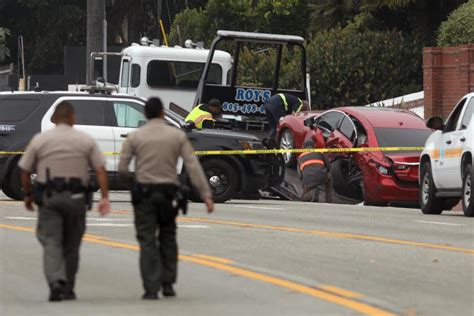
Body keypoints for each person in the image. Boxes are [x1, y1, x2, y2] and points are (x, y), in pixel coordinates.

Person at [119, 97, 214, 300]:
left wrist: (133, 185)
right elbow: (193, 166)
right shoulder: (177, 136)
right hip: (168, 195)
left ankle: (151, 288)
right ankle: (168, 283)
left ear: (145, 114)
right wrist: (206, 195)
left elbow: (122, 169)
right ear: (163, 113)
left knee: (147, 241)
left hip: (144, 194)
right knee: (168, 238)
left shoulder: (135, 137)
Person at [18, 102, 110, 302]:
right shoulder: (85, 140)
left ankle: (55, 282)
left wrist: (27, 195)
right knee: (72, 244)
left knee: (52, 241)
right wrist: (104, 198)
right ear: (72, 118)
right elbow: (101, 170)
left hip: (49, 199)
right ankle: (68, 285)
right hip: (77, 199)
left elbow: (24, 170)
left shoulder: (40, 140)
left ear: (54, 119)